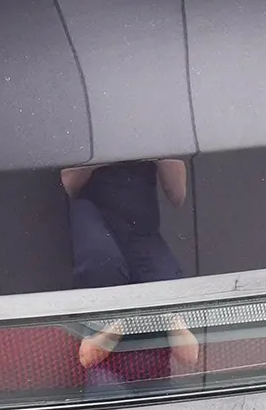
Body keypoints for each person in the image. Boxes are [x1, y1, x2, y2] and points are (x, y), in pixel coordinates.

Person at [61, 159, 197, 380]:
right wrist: (127, 323)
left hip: (156, 376)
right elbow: (87, 357)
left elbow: (190, 357)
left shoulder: (159, 266)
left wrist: (168, 318)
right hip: (108, 374)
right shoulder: (97, 262)